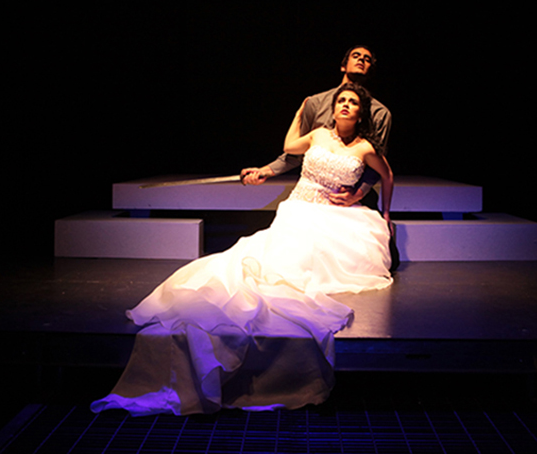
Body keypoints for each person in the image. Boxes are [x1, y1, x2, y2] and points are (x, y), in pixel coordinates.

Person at [91, 82, 394, 416]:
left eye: (353, 102)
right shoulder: (318, 134)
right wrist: (299, 113)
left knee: (310, 262)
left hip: (336, 213)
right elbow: (289, 148)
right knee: (269, 261)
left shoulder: (365, 147)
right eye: (342, 101)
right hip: (300, 207)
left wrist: (382, 210)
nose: (346, 105)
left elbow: (387, 176)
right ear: (334, 108)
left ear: (360, 113)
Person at [241, 45, 391, 209]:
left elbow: (377, 166)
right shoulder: (316, 103)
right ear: (343, 66)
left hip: (354, 198)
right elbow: (296, 151)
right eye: (356, 55)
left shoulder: (380, 113)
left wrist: (357, 194)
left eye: (367, 59)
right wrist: (265, 171)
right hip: (312, 199)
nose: (361, 59)